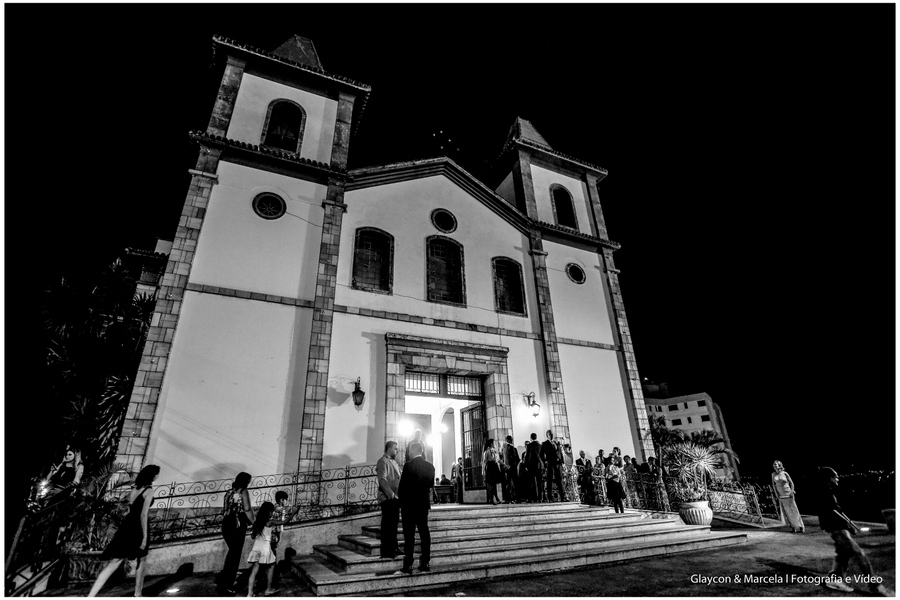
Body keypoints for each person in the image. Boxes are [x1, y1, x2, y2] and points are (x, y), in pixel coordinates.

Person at [815, 467, 891, 596]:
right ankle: (875, 586)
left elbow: (835, 512)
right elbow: (835, 513)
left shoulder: (825, 492)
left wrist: (848, 525)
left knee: (842, 553)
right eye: (835, 476)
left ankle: (834, 579)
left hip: (836, 527)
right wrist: (848, 525)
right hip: (837, 528)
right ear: (829, 478)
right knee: (858, 553)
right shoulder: (826, 494)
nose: (837, 478)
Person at [88, 464, 160, 597]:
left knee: (114, 562)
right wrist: (144, 538)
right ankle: (138, 594)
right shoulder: (149, 491)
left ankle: (91, 595)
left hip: (127, 526)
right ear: (153, 476)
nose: (157, 476)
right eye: (157, 474)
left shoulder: (134, 489)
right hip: (138, 527)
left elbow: (129, 509)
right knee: (141, 559)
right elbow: (143, 514)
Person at [216, 472, 255, 596]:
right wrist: (254, 522)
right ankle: (227, 585)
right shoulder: (243, 492)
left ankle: (224, 580)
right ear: (245, 482)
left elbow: (226, 509)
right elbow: (247, 508)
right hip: (237, 524)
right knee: (235, 555)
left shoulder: (228, 492)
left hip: (226, 524)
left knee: (231, 552)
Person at [398, 441, 435, 574]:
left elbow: (402, 487)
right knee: (424, 532)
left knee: (409, 535)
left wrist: (401, 502)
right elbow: (431, 485)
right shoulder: (430, 466)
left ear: (412, 451)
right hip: (423, 504)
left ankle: (408, 563)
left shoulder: (408, 466)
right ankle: (425, 561)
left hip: (409, 505)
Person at [246, 501, 281, 597]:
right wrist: (294, 512)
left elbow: (253, 536)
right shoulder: (269, 522)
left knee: (254, 571)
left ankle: (250, 593)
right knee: (271, 566)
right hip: (265, 549)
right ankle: (268, 589)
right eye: (272, 511)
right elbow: (285, 522)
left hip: (256, 548)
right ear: (269, 511)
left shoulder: (257, 522)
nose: (272, 513)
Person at [376, 440, 401, 559]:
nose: (397, 451)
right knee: (388, 525)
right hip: (388, 498)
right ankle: (387, 550)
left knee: (394, 524)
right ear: (389, 449)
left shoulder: (394, 462)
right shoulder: (383, 461)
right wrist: (391, 494)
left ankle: (394, 547)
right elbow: (382, 479)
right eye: (395, 449)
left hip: (395, 498)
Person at [771, 460, 804, 533]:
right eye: (774, 464)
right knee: (787, 512)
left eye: (776, 464)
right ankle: (793, 527)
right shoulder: (773, 474)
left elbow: (792, 483)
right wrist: (776, 494)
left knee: (794, 510)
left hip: (788, 493)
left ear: (779, 465)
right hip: (781, 494)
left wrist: (792, 491)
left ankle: (801, 526)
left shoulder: (785, 473)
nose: (775, 465)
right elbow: (774, 485)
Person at [541, 430, 568, 502]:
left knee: (560, 479)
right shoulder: (545, 444)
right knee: (549, 480)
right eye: (550, 434)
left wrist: (562, 462)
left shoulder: (557, 442)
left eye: (552, 434)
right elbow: (541, 454)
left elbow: (560, 452)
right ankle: (550, 497)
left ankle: (563, 496)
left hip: (558, 463)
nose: (551, 435)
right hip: (550, 463)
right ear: (547, 435)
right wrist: (545, 461)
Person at [523, 433, 544, 502]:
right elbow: (542, 456)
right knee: (539, 482)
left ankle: (533, 498)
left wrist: (526, 465)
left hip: (532, 465)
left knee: (531, 482)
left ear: (531, 438)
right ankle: (540, 498)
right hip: (540, 465)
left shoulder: (529, 445)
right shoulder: (540, 445)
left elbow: (528, 456)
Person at [501, 435, 520, 504]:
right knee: (515, 483)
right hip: (512, 468)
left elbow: (503, 459)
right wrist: (515, 465)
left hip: (506, 468)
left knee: (508, 484)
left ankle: (507, 498)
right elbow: (516, 458)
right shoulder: (513, 448)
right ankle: (516, 498)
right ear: (510, 440)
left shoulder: (503, 449)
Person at [482, 439, 502, 505]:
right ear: (491, 444)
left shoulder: (494, 451)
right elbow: (484, 462)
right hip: (490, 467)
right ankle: (491, 499)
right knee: (491, 484)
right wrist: (483, 471)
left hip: (494, 467)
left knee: (494, 484)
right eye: (494, 443)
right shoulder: (486, 452)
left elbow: (497, 460)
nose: (495, 444)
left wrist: (503, 465)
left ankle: (496, 498)